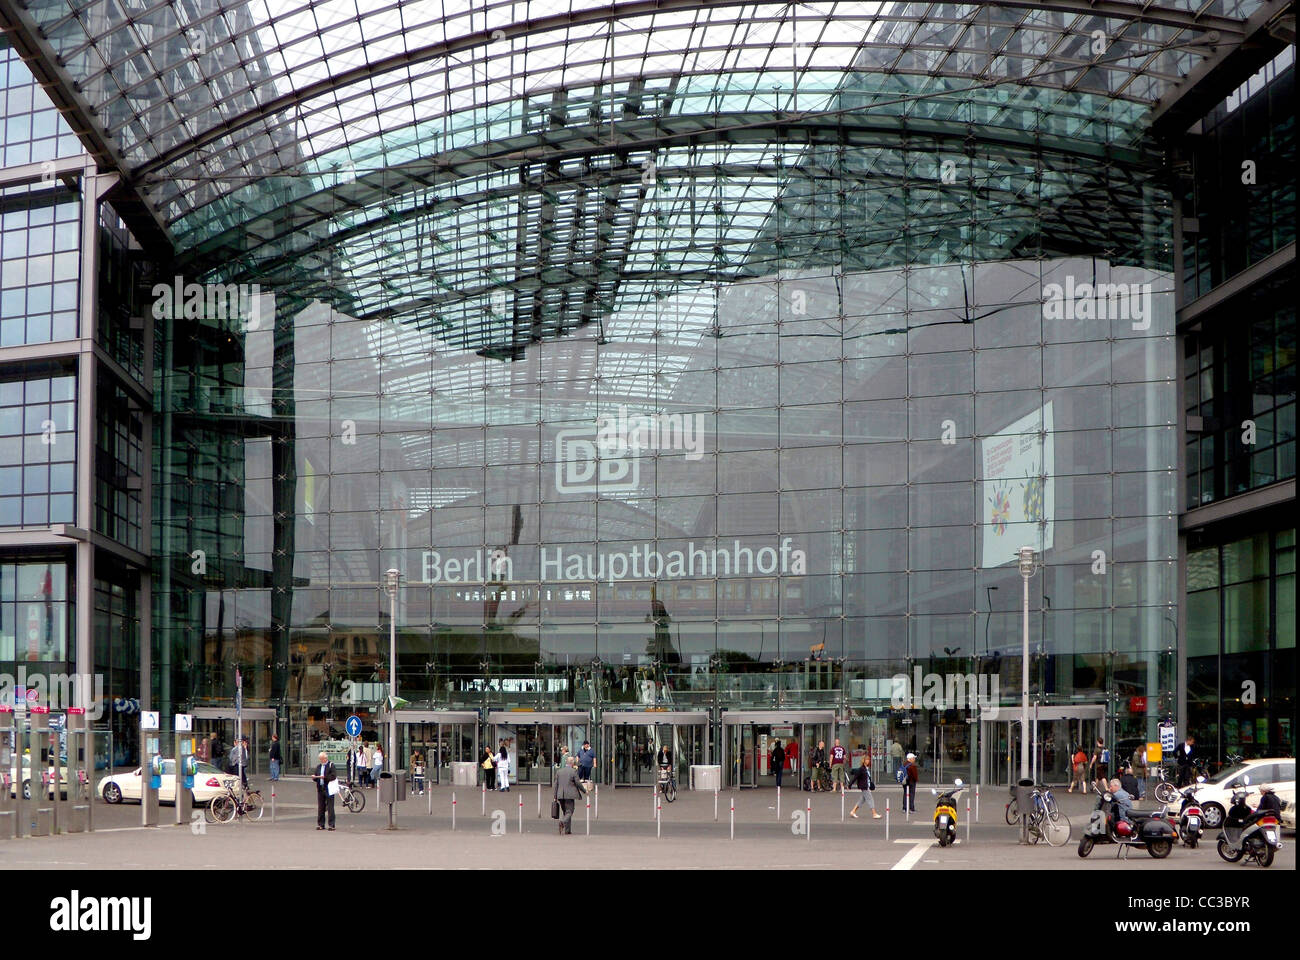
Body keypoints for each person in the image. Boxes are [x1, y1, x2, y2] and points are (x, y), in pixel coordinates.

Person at [553, 756, 587, 835]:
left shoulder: (559, 771)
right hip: (570, 795)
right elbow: (578, 783)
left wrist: (555, 796)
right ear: (572, 763)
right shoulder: (573, 771)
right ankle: (562, 822)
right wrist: (584, 791)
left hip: (560, 795)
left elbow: (556, 785)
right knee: (569, 811)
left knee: (565, 812)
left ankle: (567, 830)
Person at [849, 755, 881, 819]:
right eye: (866, 760)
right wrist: (850, 785)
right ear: (863, 761)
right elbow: (855, 777)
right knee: (870, 799)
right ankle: (874, 813)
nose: (868, 761)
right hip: (864, 786)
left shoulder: (866, 769)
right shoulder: (861, 769)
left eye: (868, 760)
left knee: (861, 800)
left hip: (867, 786)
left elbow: (868, 778)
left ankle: (853, 811)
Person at [311, 751, 336, 830]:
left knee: (330, 807)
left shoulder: (331, 765)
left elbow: (333, 776)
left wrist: (324, 777)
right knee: (321, 807)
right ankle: (321, 824)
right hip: (320, 788)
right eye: (320, 759)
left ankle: (331, 825)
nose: (321, 760)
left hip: (328, 788)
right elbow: (316, 775)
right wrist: (315, 777)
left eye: (322, 759)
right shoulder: (319, 766)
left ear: (326, 758)